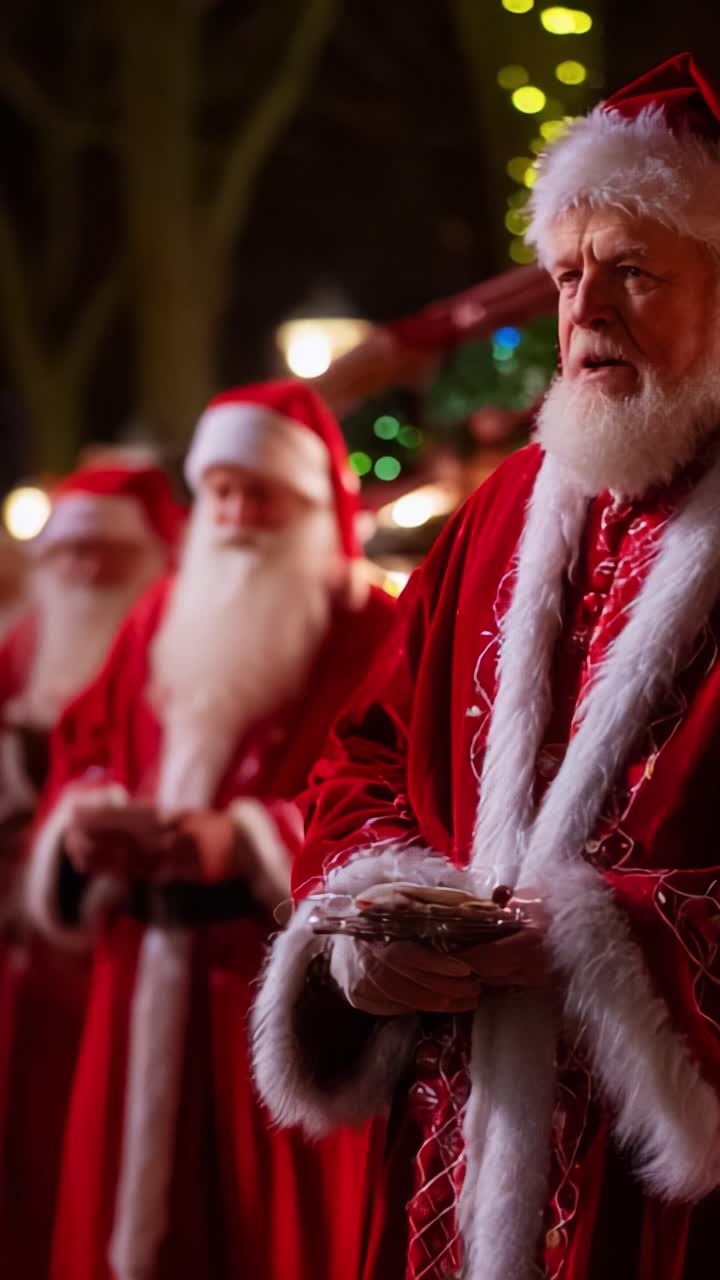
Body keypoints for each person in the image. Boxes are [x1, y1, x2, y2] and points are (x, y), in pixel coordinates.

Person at [252, 54, 720, 1280]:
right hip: (455, 1131)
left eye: (632, 272)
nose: (585, 313)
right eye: (568, 276)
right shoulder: (502, 508)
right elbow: (360, 755)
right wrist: (370, 914)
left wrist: (609, 933)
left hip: (671, 1175)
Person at [27, 380, 395, 1280]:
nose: (236, 514)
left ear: (311, 502)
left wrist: (246, 842)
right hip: (138, 970)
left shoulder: (367, 627)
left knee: (265, 1234)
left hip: (267, 990)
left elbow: (391, 801)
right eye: (220, 490)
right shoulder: (159, 618)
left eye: (259, 491)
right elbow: (89, 746)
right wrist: (83, 829)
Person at [0, 465, 180, 1280]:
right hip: (26, 962)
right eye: (67, 554)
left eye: (108, 553)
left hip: (130, 946)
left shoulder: (173, 646)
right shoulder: (14, 651)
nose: (84, 573)